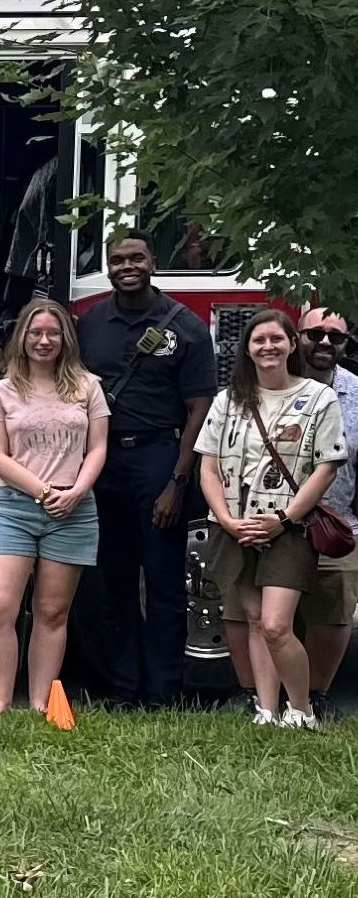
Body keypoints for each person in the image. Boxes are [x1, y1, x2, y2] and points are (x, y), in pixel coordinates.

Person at [76, 231, 216, 708]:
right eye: (117, 260)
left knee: (162, 583)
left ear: (153, 262)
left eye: (135, 257)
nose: (126, 266)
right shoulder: (91, 321)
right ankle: (122, 687)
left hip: (161, 459)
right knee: (112, 580)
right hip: (102, 460)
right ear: (109, 268)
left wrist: (178, 481)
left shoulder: (186, 327)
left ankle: (163, 691)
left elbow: (199, 409)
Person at [196, 308, 347, 728]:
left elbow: (326, 467)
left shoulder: (319, 398)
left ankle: (300, 710)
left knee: (279, 625)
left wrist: (284, 518)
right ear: (247, 348)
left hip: (288, 528)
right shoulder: (227, 400)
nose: (268, 347)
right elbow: (207, 466)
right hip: (235, 526)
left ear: (291, 344)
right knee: (257, 622)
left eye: (276, 339)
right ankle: (266, 708)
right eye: (259, 340)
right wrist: (226, 520)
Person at [0, 298, 108, 717]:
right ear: (23, 338)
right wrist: (44, 492)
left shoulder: (88, 386)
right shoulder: (0, 391)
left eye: (53, 333)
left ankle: (39, 703)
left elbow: (98, 447)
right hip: (14, 508)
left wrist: (75, 491)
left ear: (65, 338)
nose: (45, 340)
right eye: (36, 333)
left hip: (74, 509)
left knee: (52, 611)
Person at [295, 306, 357, 700]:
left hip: (338, 523)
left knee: (333, 613)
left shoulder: (356, 393)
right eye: (315, 334)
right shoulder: (272, 383)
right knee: (272, 616)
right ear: (298, 335)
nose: (324, 343)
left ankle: (316, 695)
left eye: (336, 337)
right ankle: (267, 693)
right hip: (276, 523)